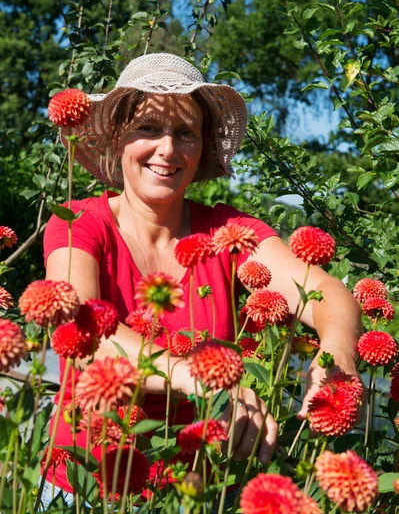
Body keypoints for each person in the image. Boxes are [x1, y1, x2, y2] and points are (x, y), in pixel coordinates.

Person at [43, 53, 362, 500]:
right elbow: (82, 338)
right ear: (117, 137)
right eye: (149, 127)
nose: (168, 149)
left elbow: (324, 290)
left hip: (196, 494)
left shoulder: (227, 233)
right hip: (87, 490)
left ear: (202, 149)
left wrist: (336, 358)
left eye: (185, 133)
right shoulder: (78, 221)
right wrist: (201, 375)